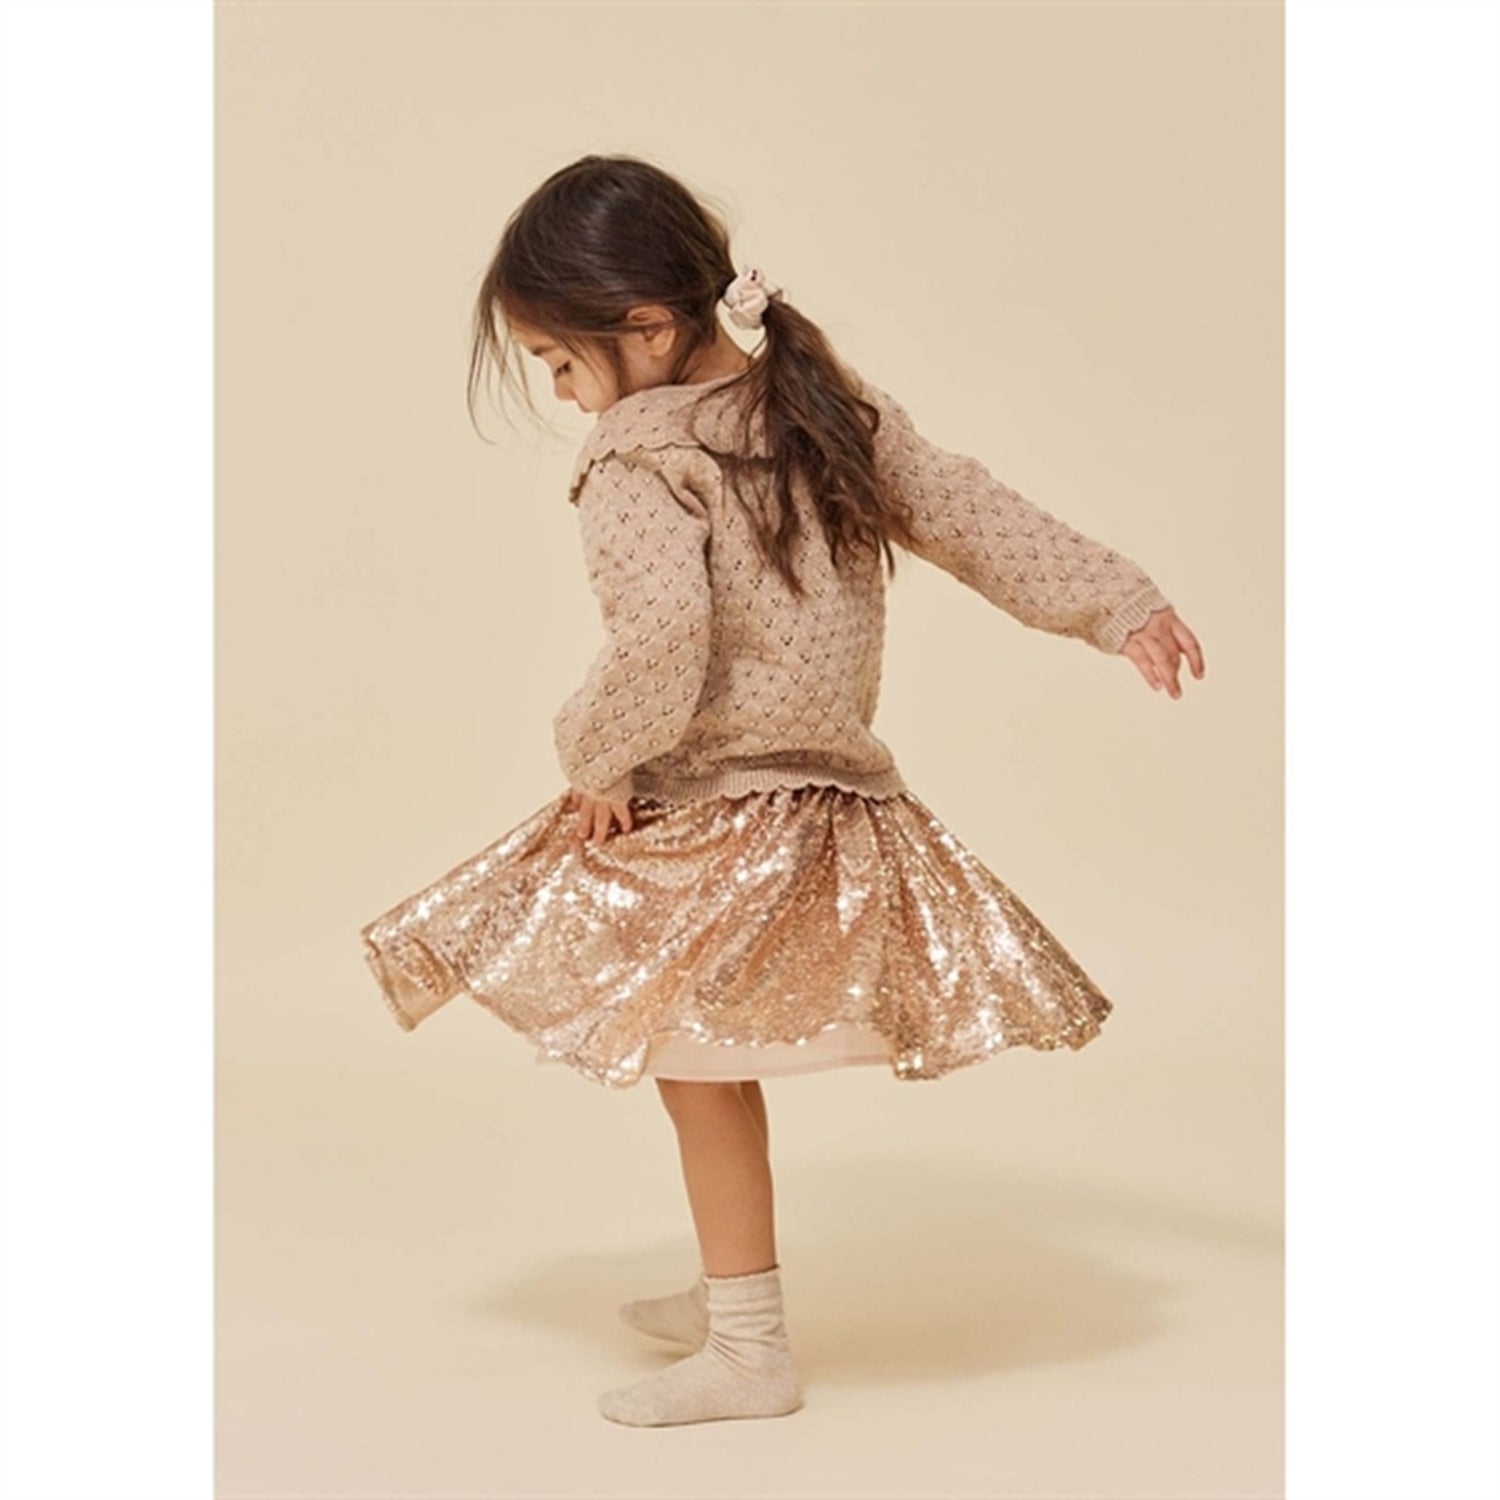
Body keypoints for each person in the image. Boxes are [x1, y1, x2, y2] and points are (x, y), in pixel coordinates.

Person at [359, 153, 1205, 1429]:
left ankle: (749, 1345)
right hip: (824, 803)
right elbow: (969, 511)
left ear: (648, 328)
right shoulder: (819, 405)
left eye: (558, 360)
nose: (562, 391)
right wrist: (1116, 600)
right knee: (700, 1064)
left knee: (689, 1065)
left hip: (716, 808)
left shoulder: (640, 455)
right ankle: (731, 1294)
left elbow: (659, 640)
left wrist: (594, 758)